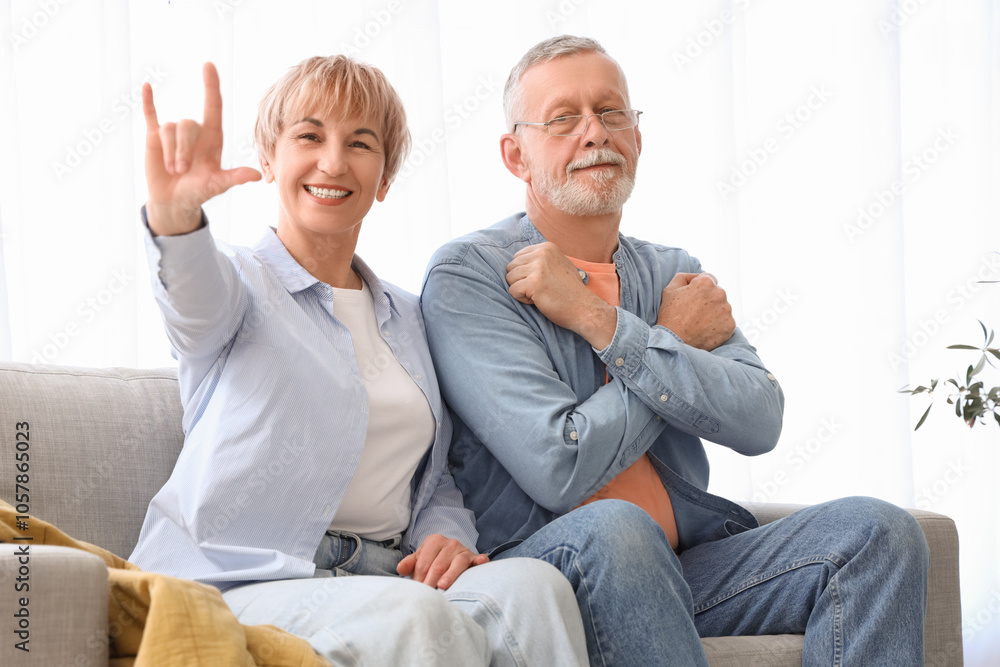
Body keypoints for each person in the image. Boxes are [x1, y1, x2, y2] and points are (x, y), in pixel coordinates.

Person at [421, 35, 930, 666]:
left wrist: (599, 320)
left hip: (682, 565)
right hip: (545, 570)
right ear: (515, 155)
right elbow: (562, 466)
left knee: (878, 533)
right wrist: (671, 341)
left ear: (637, 136)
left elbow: (759, 418)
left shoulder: (672, 272)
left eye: (611, 113)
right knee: (617, 528)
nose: (594, 132)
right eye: (562, 118)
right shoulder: (470, 276)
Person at [128, 55, 587, 666]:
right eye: (309, 136)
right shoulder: (238, 284)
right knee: (416, 618)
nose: (334, 161)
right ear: (270, 158)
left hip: (383, 576)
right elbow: (190, 297)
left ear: (385, 176)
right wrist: (177, 218)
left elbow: (436, 477)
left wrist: (445, 537)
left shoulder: (411, 315)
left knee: (535, 588)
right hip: (241, 581)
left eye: (360, 143)